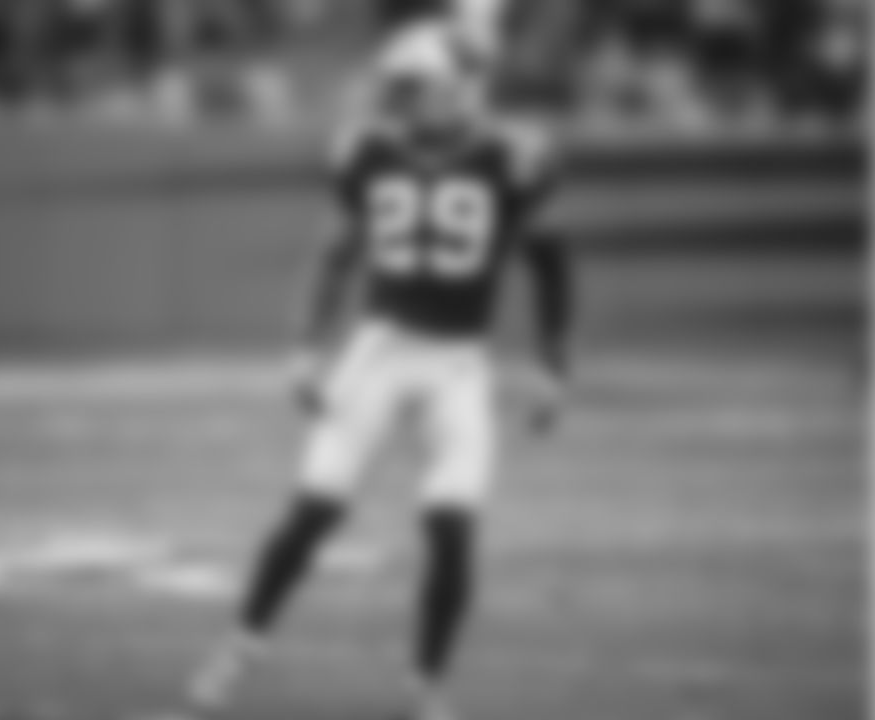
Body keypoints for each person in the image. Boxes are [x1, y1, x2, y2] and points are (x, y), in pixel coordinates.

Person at [167, 16, 573, 720]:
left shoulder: (512, 157)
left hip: (459, 364)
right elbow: (335, 252)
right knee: (315, 507)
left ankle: (428, 687)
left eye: (416, 86)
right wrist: (306, 346)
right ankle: (238, 646)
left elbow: (550, 263)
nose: (401, 100)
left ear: (463, 86)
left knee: (451, 525)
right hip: (379, 353)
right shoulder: (369, 150)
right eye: (399, 87)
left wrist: (552, 362)